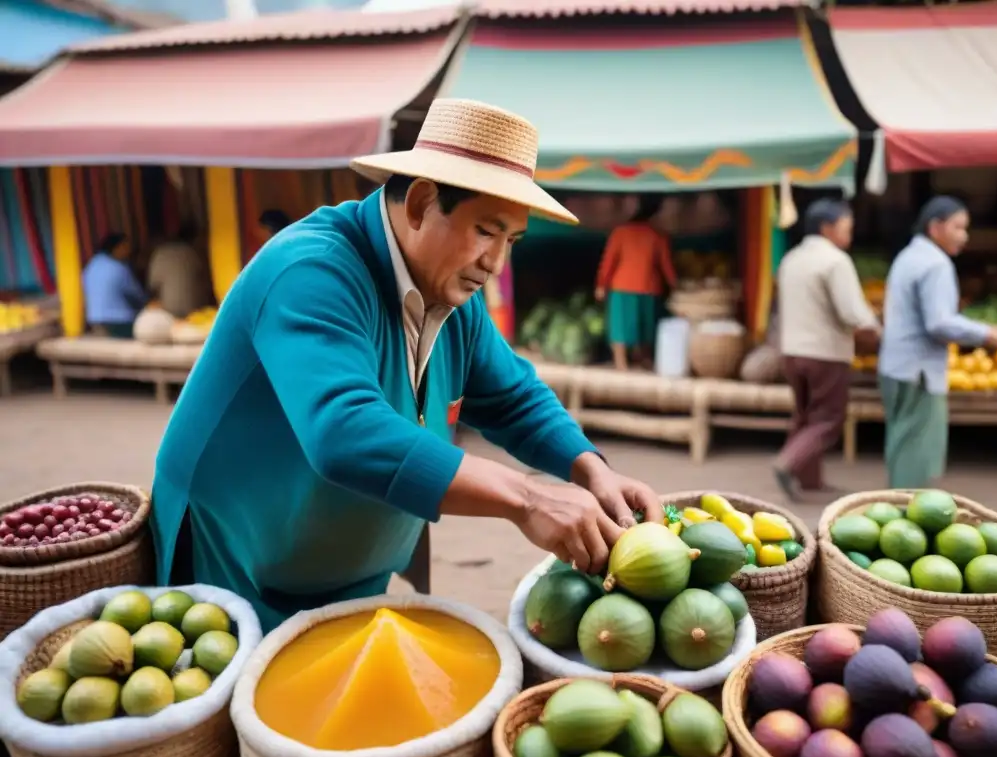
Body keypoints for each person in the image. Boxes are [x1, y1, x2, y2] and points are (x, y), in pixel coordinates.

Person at [150, 99, 663, 632]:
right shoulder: (310, 272)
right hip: (238, 571)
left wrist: (591, 469)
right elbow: (343, 431)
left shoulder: (453, 289)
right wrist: (527, 498)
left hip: (345, 573)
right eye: (486, 232)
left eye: (511, 240)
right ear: (419, 203)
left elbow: (512, 396)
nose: (496, 263)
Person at [879, 196, 997, 489]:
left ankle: (895, 507)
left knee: (902, 444)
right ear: (935, 227)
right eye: (958, 227)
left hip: (896, 366)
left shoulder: (909, 255)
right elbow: (939, 322)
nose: (964, 236)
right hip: (919, 372)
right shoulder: (935, 264)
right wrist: (986, 334)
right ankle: (904, 515)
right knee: (917, 452)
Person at [774, 199, 879, 500]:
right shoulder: (835, 260)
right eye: (848, 226)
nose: (850, 233)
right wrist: (876, 328)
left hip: (792, 351)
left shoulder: (791, 258)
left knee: (805, 416)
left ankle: (810, 481)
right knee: (827, 420)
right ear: (828, 227)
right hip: (826, 352)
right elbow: (852, 313)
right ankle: (787, 462)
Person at [594, 196, 677, 370]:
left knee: (620, 326)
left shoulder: (620, 232)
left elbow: (608, 261)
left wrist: (601, 284)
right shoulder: (657, 235)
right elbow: (666, 265)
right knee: (645, 327)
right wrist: (675, 285)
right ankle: (643, 361)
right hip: (649, 287)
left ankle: (621, 363)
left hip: (621, 287)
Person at [81, 233, 148, 339]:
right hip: (119, 323)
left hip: (95, 321)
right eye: (126, 247)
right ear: (116, 247)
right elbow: (137, 295)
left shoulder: (92, 265)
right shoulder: (119, 267)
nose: (128, 252)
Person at [147, 223, 213, 319]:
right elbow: (205, 279)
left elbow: (153, 285)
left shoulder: (159, 253)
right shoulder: (193, 253)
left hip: (168, 308)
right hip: (194, 308)